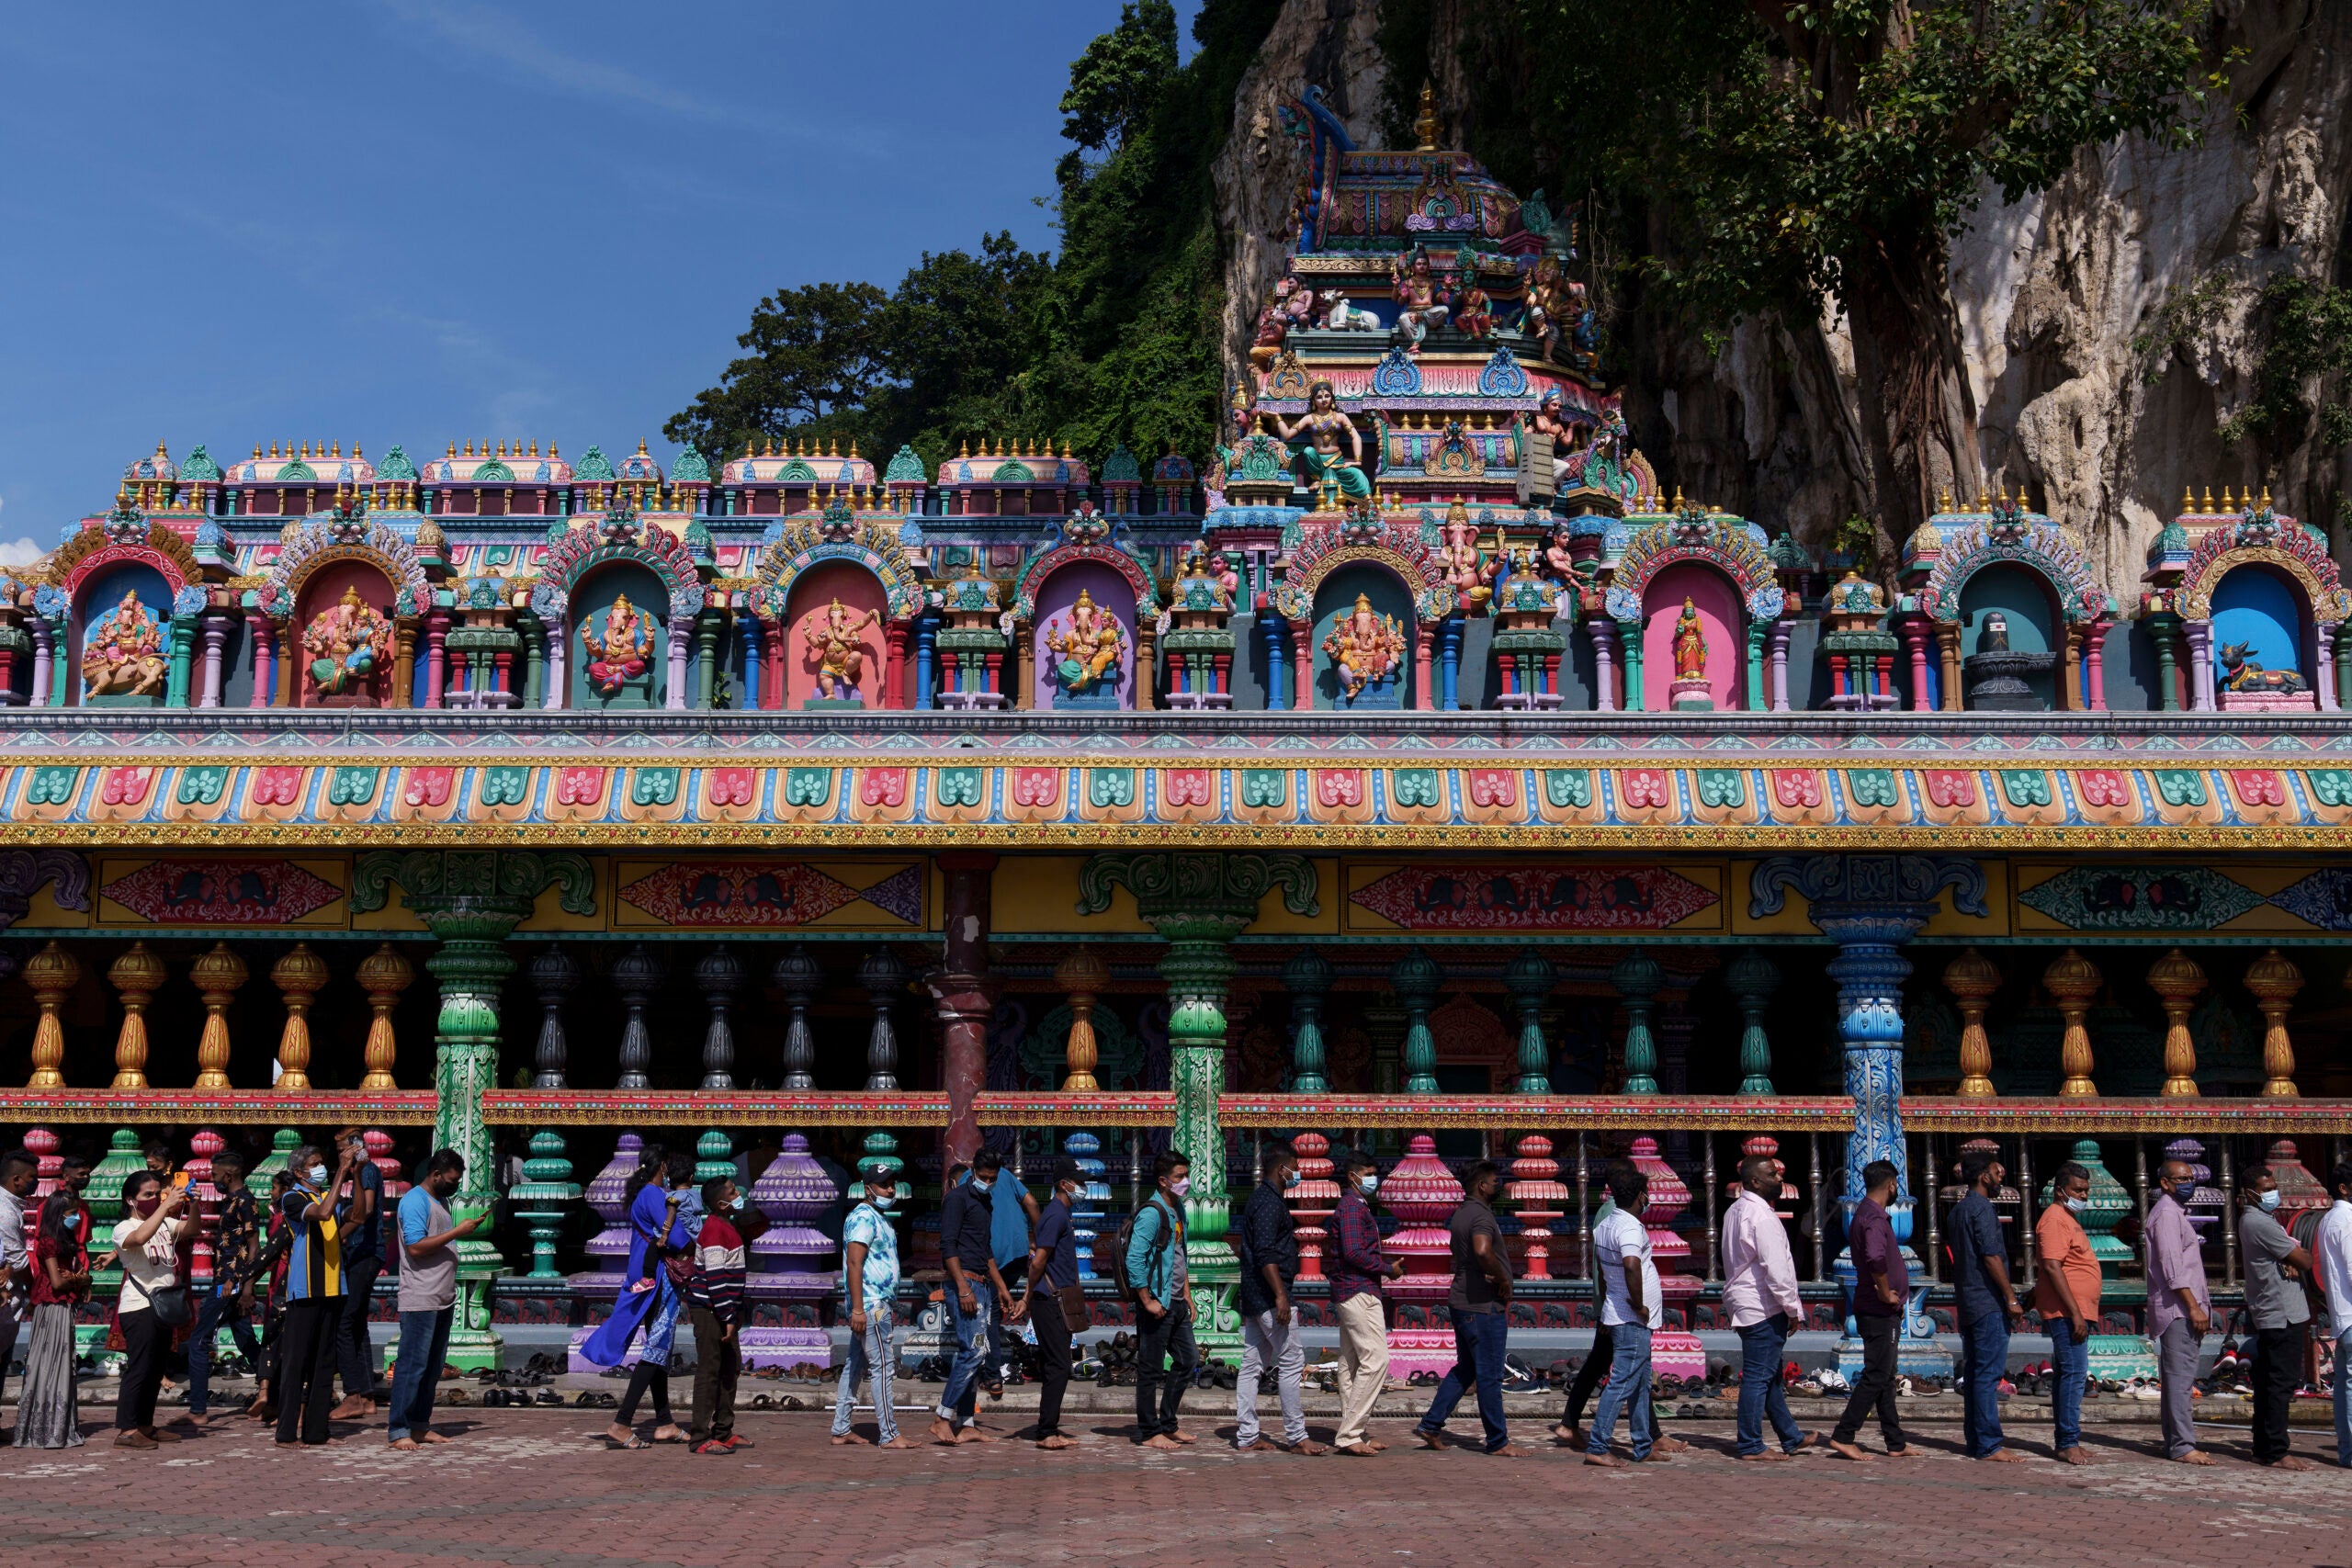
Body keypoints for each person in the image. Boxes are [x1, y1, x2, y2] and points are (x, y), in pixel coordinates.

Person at [582, 1148, 693, 1448]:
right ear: (664, 1166)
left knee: (658, 1352)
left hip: (642, 1276)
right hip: (658, 1280)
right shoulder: (655, 1195)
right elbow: (679, 1237)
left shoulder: (641, 1195)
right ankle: (622, 1422)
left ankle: (665, 1422)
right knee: (657, 1347)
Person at [1413, 1160, 1521, 1457]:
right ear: (1482, 1186)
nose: (1498, 1186)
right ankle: (1498, 1440)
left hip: (1462, 1301)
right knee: (1488, 1375)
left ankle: (1431, 1424)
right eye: (1494, 1182)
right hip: (1482, 1306)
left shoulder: (1461, 1214)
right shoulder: (1481, 1217)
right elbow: (1483, 1250)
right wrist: (1501, 1278)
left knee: (1466, 1369)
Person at [1821, 1159, 1916, 1461]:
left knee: (1886, 1376)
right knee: (1876, 1375)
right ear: (1891, 1185)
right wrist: (1885, 1289)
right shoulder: (1873, 1218)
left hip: (1877, 1306)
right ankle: (1844, 1434)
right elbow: (1875, 1258)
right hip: (1878, 1308)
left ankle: (1895, 1442)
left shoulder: (1866, 1213)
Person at [387, 1149, 480, 1450]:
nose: (454, 1185)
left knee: (431, 1367)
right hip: (421, 1297)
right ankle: (398, 1429)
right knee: (411, 1366)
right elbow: (415, 1246)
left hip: (442, 1297)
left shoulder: (441, 1201)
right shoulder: (415, 1201)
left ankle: (419, 1425)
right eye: (451, 1180)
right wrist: (458, 1231)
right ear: (436, 1174)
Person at [1235, 1141, 1321, 1454]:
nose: (1296, 1174)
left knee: (1252, 1363)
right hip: (1270, 1294)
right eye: (1294, 1169)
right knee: (1291, 1360)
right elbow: (1266, 1254)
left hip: (1256, 1294)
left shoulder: (1262, 1200)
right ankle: (1297, 1436)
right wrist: (1281, 1296)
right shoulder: (1270, 1204)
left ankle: (1246, 1435)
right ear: (1281, 1169)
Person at [1722, 1150, 1805, 1461]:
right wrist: (1792, 1308)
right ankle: (1750, 1444)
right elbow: (1777, 1269)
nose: (1779, 1178)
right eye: (1772, 1174)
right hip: (1762, 1305)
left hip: (1746, 1303)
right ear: (1755, 1181)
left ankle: (1791, 1436)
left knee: (1769, 1376)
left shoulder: (1735, 1211)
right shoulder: (1761, 1216)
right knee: (1759, 1377)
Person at [930, 1148, 1014, 1445]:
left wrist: (1002, 1288)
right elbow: (948, 1247)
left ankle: (966, 1423)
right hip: (964, 1284)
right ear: (973, 1172)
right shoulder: (956, 1200)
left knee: (975, 1355)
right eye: (984, 1177)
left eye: (993, 1179)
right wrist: (963, 1287)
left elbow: (986, 1251)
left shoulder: (985, 1202)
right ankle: (942, 1417)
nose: (988, 1182)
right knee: (973, 1352)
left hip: (982, 1283)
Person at [1585, 1160, 1666, 1466]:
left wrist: (1611, 1299)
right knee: (1621, 1383)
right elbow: (1631, 1264)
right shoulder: (1629, 1226)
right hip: (1631, 1317)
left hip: (1620, 1312)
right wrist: (1638, 1303)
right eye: (1646, 1194)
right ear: (1639, 1196)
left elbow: (1604, 1272)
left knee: (1640, 1382)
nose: (1648, 1200)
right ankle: (1597, 1445)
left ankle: (1643, 1445)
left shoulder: (1606, 1224)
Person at [1948, 1148, 2026, 1462]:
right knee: (1987, 1374)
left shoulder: (1958, 1211)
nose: (2000, 1178)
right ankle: (1989, 1443)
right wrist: (2010, 1297)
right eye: (1996, 1173)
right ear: (1983, 1177)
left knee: (1977, 1373)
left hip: (1968, 1300)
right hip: (1987, 1301)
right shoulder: (1981, 1210)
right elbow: (1991, 1256)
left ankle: (1977, 1440)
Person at [2236, 1163, 2315, 1470]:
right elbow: (2304, 1259)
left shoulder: (2261, 1220)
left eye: (2273, 1189)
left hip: (2277, 1310)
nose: (2273, 1195)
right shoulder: (2260, 1223)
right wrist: (2298, 1256)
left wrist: (2293, 1257)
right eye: (2267, 1190)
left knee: (2269, 1383)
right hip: (2281, 1313)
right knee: (2280, 1385)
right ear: (2250, 1193)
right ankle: (2276, 1450)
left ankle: (2263, 1447)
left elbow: (2293, 1258)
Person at [1328, 1147, 1405, 1457]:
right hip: (1357, 1290)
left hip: (1355, 1289)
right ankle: (1349, 1433)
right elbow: (1353, 1252)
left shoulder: (1357, 1206)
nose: (1375, 1179)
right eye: (1369, 1174)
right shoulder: (1350, 1208)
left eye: (1375, 1174)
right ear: (1353, 1176)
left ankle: (1354, 1430)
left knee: (1352, 1364)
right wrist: (1388, 1269)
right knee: (1377, 1360)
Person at [831, 1166, 912, 1449]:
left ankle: (841, 1428)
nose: (890, 1189)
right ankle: (889, 1434)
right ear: (868, 1188)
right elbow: (855, 1262)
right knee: (884, 1366)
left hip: (873, 1303)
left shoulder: (877, 1217)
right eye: (883, 1185)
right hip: (871, 1305)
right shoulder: (864, 1217)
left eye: (892, 1184)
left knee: (855, 1364)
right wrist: (857, 1309)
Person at [110, 1169, 190, 1449]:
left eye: (157, 1193)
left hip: (162, 1305)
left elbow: (190, 1231)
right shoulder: (123, 1227)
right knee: (140, 1368)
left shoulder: (166, 1222)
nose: (155, 1198)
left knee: (156, 1369)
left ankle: (145, 1424)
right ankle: (127, 1429)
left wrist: (194, 1206)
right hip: (139, 1306)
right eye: (148, 1194)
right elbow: (140, 1238)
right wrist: (166, 1206)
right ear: (131, 1200)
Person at [276, 1144, 349, 1446]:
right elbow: (322, 1213)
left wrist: (355, 1174)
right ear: (299, 1171)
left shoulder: (324, 1194)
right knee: (296, 1362)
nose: (321, 1167)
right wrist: (341, 1172)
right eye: (315, 1163)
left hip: (333, 1286)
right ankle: (285, 1431)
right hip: (305, 1289)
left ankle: (317, 1431)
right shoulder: (293, 1197)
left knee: (324, 1363)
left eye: (323, 1162)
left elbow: (358, 1215)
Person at [2144, 1156, 2214, 1464]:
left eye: (2190, 1177)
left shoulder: (2175, 1213)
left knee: (2178, 1379)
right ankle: (2182, 1445)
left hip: (2183, 1308)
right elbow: (2173, 1269)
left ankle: (2177, 1442)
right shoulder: (2167, 1216)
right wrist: (2194, 1307)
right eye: (2181, 1178)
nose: (2189, 1183)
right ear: (2165, 1183)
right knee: (2180, 1380)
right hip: (2179, 1310)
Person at [15, 1186, 96, 1449]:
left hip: (60, 1304)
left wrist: (81, 1279)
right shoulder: (49, 1240)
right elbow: (58, 1282)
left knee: (57, 1363)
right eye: (72, 1214)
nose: (77, 1218)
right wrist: (80, 1280)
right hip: (52, 1306)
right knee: (50, 1364)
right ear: (59, 1214)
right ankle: (47, 1428)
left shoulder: (64, 1239)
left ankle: (51, 1425)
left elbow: (72, 1275)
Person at [2035, 1161, 2103, 1466]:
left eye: (2086, 1191)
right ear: (2060, 1191)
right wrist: (2075, 1313)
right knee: (2074, 1375)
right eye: (2077, 1190)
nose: (2083, 1196)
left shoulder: (2068, 1218)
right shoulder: (2054, 1219)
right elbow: (2052, 1266)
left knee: (2069, 1375)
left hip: (2076, 1310)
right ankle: (2066, 1441)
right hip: (2066, 1312)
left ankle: (2068, 1439)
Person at [187, 1150, 264, 1424]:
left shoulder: (245, 1202)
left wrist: (246, 1289)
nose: (212, 1179)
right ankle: (274, 1392)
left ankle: (197, 1410)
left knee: (198, 1342)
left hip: (229, 1284)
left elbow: (254, 1247)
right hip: (227, 1280)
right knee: (245, 1340)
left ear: (228, 1175)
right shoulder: (231, 1201)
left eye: (215, 1174)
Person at [1127, 1152, 1196, 1450]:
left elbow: (1180, 1256)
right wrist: (1147, 1300)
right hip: (1157, 1303)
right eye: (1180, 1177)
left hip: (1177, 1301)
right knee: (1151, 1369)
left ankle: (1168, 1423)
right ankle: (1149, 1430)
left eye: (1186, 1175)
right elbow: (1134, 1259)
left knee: (1188, 1360)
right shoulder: (1152, 1213)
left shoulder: (1177, 1210)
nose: (1185, 1182)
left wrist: (1188, 1296)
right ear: (1163, 1180)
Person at [1016, 1159, 1086, 1450]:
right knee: (1058, 1364)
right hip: (1050, 1300)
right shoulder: (1056, 1216)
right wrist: (1027, 1295)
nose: (1082, 1188)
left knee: (1057, 1363)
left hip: (1055, 1298)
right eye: (1077, 1181)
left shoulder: (1060, 1214)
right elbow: (1039, 1261)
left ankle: (1049, 1427)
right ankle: (1047, 1431)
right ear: (1063, 1184)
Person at [686, 1175, 747, 1456]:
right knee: (710, 1371)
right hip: (710, 1310)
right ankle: (699, 1437)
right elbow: (715, 1278)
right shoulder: (713, 1230)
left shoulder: (726, 1226)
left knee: (729, 1368)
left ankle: (724, 1430)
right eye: (733, 1192)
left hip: (724, 1310)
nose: (738, 1194)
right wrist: (727, 1316)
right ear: (721, 1203)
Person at [328, 1127, 386, 1420]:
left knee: (345, 1323)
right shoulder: (358, 1174)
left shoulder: (368, 1172)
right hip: (358, 1254)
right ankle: (366, 1395)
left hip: (365, 1253)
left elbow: (366, 1210)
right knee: (357, 1324)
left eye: (342, 1150)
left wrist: (338, 1236)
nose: (339, 1156)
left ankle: (353, 1393)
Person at [2312, 1158, 2352, 1471]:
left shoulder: (2328, 1219)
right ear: (2343, 1187)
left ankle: (2346, 1449)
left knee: (2344, 1384)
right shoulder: (2346, 1219)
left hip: (2342, 1315)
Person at [0, 1148, 36, 1439]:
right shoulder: (4, 1212)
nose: (35, 1183)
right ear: (16, 1179)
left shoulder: (11, 1207)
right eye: (31, 1178)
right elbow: (19, 1260)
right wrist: (35, 1291)